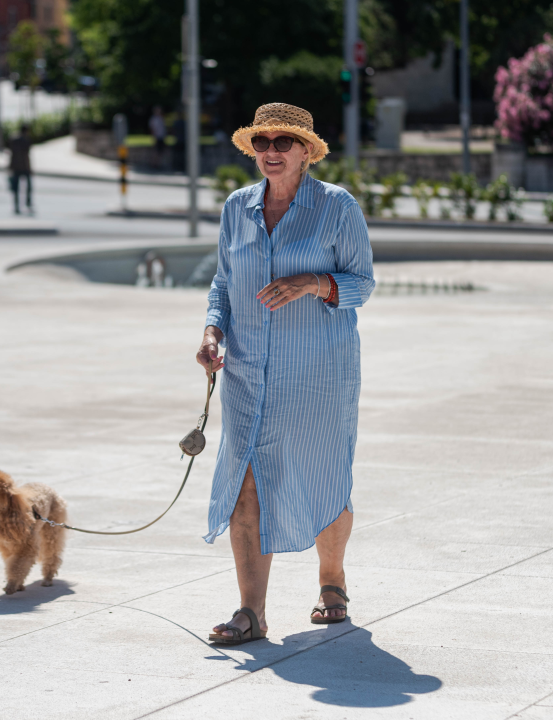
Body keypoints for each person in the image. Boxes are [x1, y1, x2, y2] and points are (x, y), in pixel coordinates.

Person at [195, 103, 375, 645]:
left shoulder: (336, 207)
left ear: (306, 152)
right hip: (249, 373)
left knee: (323, 476)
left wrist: (312, 282)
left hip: (318, 373)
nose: (271, 151)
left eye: (283, 142)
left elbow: (362, 285)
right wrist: (212, 331)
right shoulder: (237, 207)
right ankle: (251, 612)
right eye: (262, 142)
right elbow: (224, 282)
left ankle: (332, 580)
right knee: (246, 482)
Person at [7, 123, 33, 214]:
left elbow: (11, 154)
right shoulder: (26, 140)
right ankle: (28, 204)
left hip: (15, 167)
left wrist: (9, 167)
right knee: (28, 188)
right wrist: (29, 168)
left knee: (16, 189)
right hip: (24, 167)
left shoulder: (13, 139)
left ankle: (17, 206)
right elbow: (26, 156)